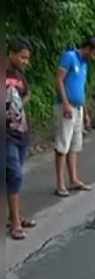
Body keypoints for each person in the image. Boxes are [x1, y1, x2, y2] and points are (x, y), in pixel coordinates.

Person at [54, 37, 95, 197]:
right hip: (66, 107)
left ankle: (73, 179)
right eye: (93, 54)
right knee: (63, 145)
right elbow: (59, 80)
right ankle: (60, 184)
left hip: (78, 108)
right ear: (87, 49)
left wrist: (85, 112)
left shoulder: (84, 63)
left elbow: (82, 88)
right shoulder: (70, 57)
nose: (94, 58)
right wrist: (66, 103)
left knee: (75, 145)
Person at [6, 38, 36, 240]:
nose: (26, 61)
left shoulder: (20, 76)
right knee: (14, 175)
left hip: (21, 132)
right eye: (23, 57)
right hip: (5, 135)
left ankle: (14, 216)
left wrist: (18, 102)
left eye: (27, 58)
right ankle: (15, 224)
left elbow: (28, 94)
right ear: (11, 53)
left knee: (14, 177)